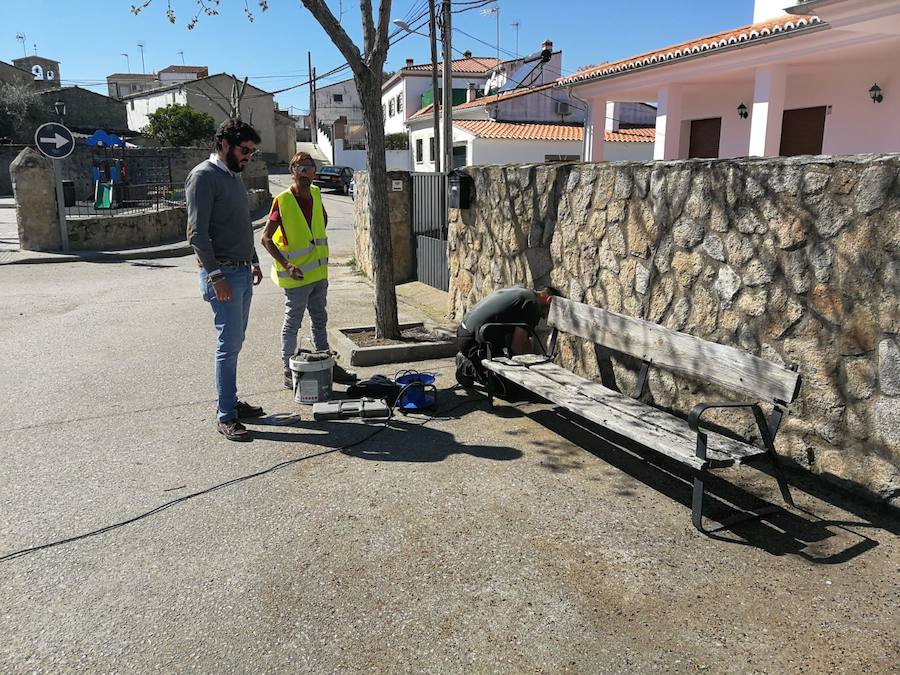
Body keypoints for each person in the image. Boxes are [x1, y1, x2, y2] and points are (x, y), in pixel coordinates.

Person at [186, 118, 265, 442]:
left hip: (242, 270)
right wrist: (216, 276)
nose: (248, 156)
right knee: (227, 346)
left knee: (235, 343)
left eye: (252, 152)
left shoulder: (233, 178)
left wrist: (255, 261)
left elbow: (241, 224)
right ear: (224, 144)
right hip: (224, 275)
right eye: (244, 150)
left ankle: (230, 401)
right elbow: (197, 234)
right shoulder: (203, 177)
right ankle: (226, 416)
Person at [261, 151, 356, 390]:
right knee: (292, 322)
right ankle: (287, 370)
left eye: (308, 167)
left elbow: (321, 222)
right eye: (299, 168)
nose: (304, 172)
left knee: (319, 320)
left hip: (318, 274)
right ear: (292, 173)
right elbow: (265, 239)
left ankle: (327, 365)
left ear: (315, 171)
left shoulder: (315, 193)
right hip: (296, 277)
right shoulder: (282, 200)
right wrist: (287, 264)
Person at [455, 286, 561, 387]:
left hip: (469, 333)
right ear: (549, 300)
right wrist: (532, 371)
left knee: (512, 379)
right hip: (473, 341)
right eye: (551, 312)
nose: (546, 317)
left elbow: (523, 339)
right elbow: (518, 346)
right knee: (508, 387)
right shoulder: (532, 304)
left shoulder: (524, 292)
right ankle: (465, 364)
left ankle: (472, 359)